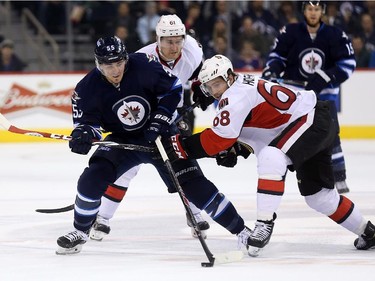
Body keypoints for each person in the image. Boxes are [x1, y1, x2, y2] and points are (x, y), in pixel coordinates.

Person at [56, 36, 252, 255]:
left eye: (119, 63)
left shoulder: (143, 64)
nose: (115, 70)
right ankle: (80, 231)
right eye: (109, 65)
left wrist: (160, 119)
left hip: (162, 135)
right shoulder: (86, 88)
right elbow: (87, 123)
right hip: (123, 141)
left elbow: (173, 88)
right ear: (98, 64)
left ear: (125, 58)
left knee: (194, 185)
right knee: (91, 179)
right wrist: (83, 134)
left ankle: (242, 231)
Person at [164, 54, 375, 256]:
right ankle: (369, 232)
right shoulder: (239, 88)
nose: (215, 91)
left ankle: (264, 225)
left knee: (271, 157)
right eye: (210, 87)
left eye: (217, 84)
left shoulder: (235, 96)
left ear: (229, 76)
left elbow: (217, 139)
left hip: (310, 121)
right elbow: (255, 130)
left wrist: (180, 145)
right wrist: (235, 150)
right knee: (319, 197)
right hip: (312, 123)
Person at [90, 15, 212, 242]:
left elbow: (198, 74)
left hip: (172, 115)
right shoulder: (143, 58)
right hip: (141, 119)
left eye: (178, 40)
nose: (174, 46)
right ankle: (103, 218)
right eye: (168, 41)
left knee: (183, 164)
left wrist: (201, 91)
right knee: (126, 169)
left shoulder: (193, 50)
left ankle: (194, 213)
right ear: (158, 39)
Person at [261, 1, 355, 194]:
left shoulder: (335, 34)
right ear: (304, 11)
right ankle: (281, 173)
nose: (313, 13)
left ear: (322, 11)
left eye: (317, 9)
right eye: (310, 9)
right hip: (296, 93)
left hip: (325, 93)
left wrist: (324, 78)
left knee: (330, 134)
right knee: (288, 132)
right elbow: (277, 57)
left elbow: (347, 63)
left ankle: (339, 176)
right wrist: (272, 70)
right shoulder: (290, 32)